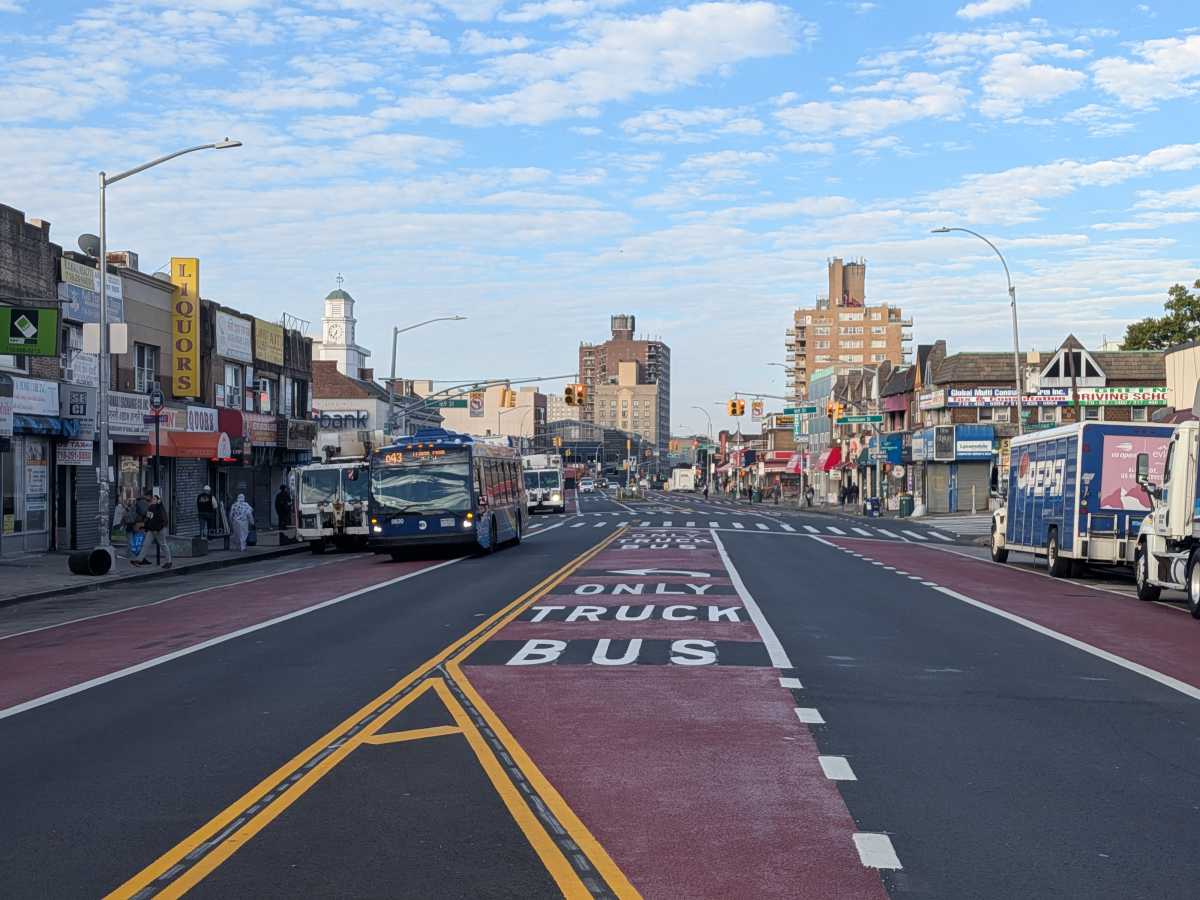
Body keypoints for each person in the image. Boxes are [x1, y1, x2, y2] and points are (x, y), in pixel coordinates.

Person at [132, 489, 172, 569]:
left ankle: (169, 562)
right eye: (152, 499)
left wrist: (157, 529)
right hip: (151, 530)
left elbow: (163, 520)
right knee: (146, 544)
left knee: (163, 545)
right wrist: (144, 527)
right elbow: (148, 519)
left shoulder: (159, 508)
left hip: (159, 530)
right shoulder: (151, 508)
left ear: (158, 500)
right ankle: (139, 560)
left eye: (154, 499)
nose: (152, 500)